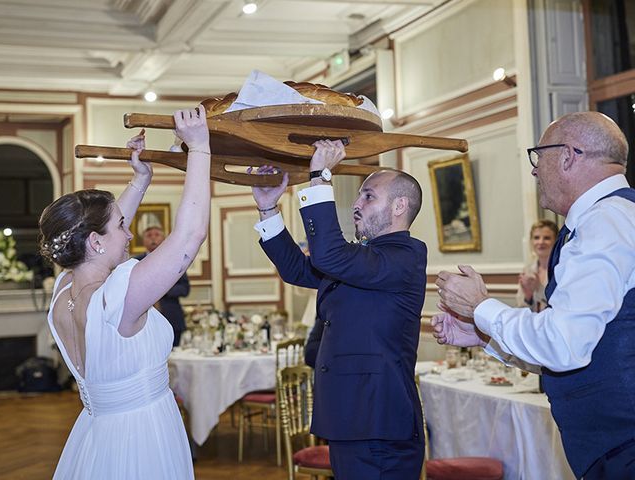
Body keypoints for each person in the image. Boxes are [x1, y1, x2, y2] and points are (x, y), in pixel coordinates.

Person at [431, 111, 635, 480]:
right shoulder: (611, 217)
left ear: (569, 155)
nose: (535, 170)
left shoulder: (605, 223)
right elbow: (577, 346)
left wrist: (480, 307)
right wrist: (484, 334)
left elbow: (564, 346)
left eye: (538, 156)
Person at [39, 105, 211, 479]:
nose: (130, 233)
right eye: (122, 226)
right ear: (97, 242)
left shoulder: (64, 288)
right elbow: (191, 234)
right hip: (142, 434)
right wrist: (200, 149)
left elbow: (99, 230)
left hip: (99, 432)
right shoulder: (118, 294)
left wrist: (140, 180)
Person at [250, 140, 427, 480]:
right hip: (353, 418)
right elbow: (298, 270)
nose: (356, 205)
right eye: (359, 196)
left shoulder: (404, 257)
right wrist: (268, 209)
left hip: (378, 423)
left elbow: (329, 256)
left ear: (399, 206)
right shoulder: (364, 260)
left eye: (368, 196)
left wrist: (320, 176)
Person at [135, 224, 190, 347]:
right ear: (143, 240)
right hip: (142, 322)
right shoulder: (135, 262)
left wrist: (162, 289)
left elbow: (185, 289)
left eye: (157, 235)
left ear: (164, 239)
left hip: (172, 319)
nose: (153, 238)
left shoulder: (176, 260)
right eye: (149, 236)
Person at [516, 219, 558, 312]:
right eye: (536, 237)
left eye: (547, 238)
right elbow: (521, 308)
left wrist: (539, 287)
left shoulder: (562, 269)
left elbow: (560, 305)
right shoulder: (527, 270)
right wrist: (528, 296)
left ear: (555, 241)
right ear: (531, 241)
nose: (541, 242)